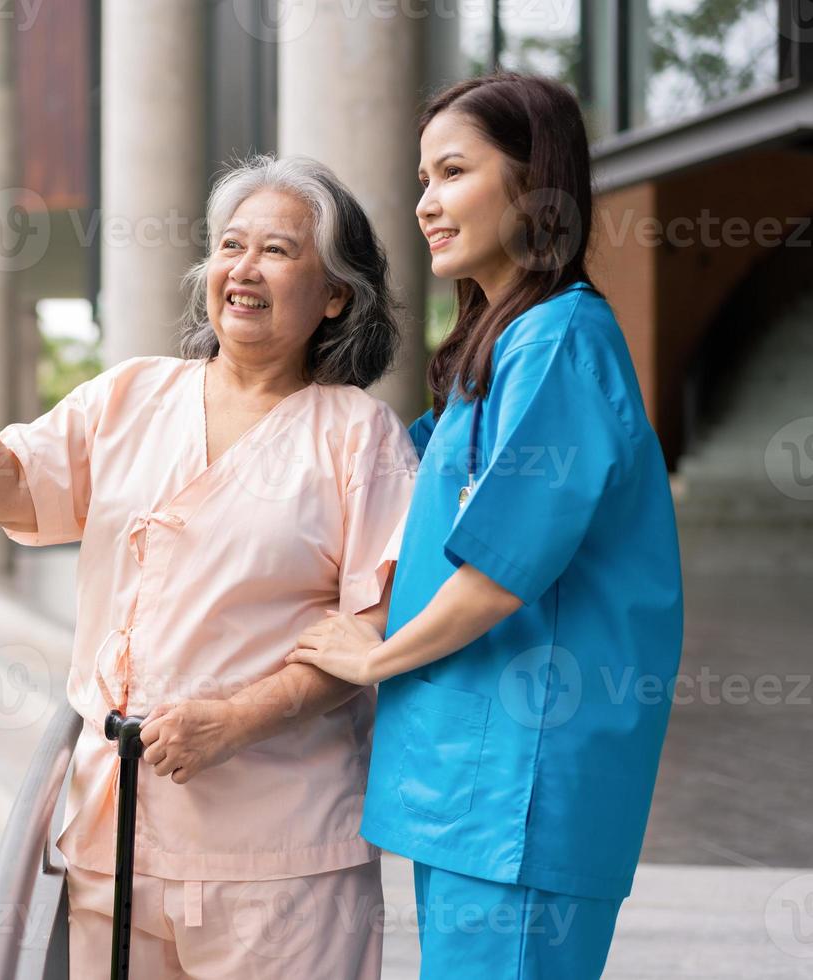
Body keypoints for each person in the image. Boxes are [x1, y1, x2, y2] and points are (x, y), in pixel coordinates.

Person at [0, 154, 418, 978]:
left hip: (281, 855)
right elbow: (15, 492)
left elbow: (369, 628)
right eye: (230, 246)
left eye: (277, 251)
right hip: (119, 835)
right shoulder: (132, 395)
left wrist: (237, 719)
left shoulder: (359, 435)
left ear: (336, 295)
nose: (243, 269)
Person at [284, 73, 684, 979]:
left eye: (452, 172)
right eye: (422, 180)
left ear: (533, 185)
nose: (426, 204)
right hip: (470, 782)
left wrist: (370, 657)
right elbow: (393, 487)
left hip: (519, 786)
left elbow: (506, 566)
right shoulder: (494, 352)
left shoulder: (560, 342)